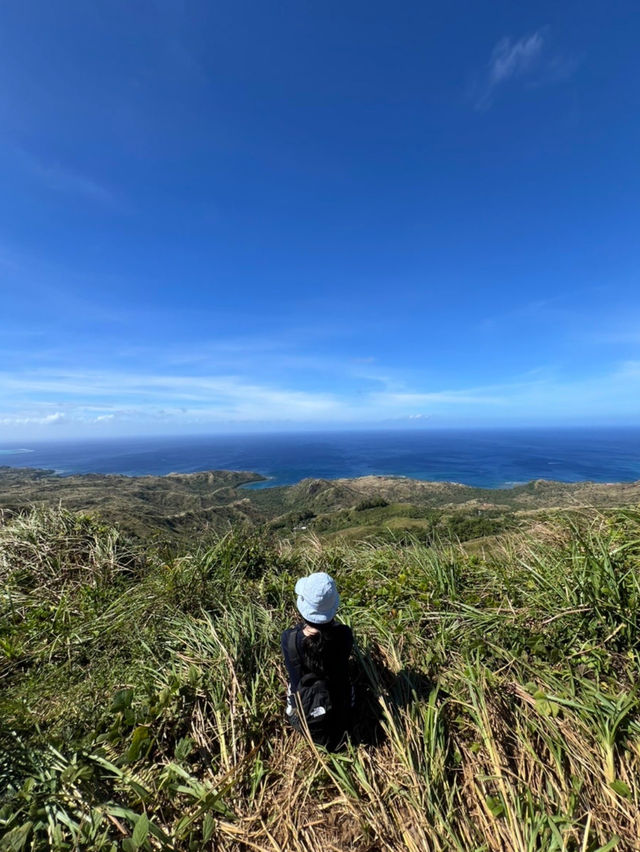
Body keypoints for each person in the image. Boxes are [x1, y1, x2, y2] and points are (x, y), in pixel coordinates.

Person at [281, 572, 354, 750]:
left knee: (293, 686)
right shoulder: (344, 635)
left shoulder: (289, 639)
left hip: (305, 718)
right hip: (342, 714)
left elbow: (295, 676)